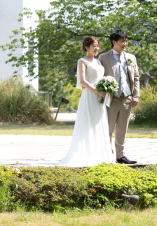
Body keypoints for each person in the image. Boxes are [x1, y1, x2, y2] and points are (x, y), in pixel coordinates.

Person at [60, 36, 115, 167]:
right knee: (88, 123)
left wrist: (106, 89)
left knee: (99, 124)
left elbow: (101, 78)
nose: (96, 48)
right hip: (90, 96)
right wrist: (98, 91)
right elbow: (83, 81)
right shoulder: (82, 61)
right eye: (93, 46)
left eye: (97, 46)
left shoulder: (99, 62)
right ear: (86, 47)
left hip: (100, 96)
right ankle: (86, 154)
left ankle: (99, 155)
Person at [98, 29, 140, 164]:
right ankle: (107, 156)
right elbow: (99, 77)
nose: (125, 43)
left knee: (122, 129)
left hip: (127, 98)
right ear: (114, 42)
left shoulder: (131, 57)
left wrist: (135, 95)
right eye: (122, 41)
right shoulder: (103, 57)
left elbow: (136, 77)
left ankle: (120, 156)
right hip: (112, 99)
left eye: (126, 41)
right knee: (108, 129)